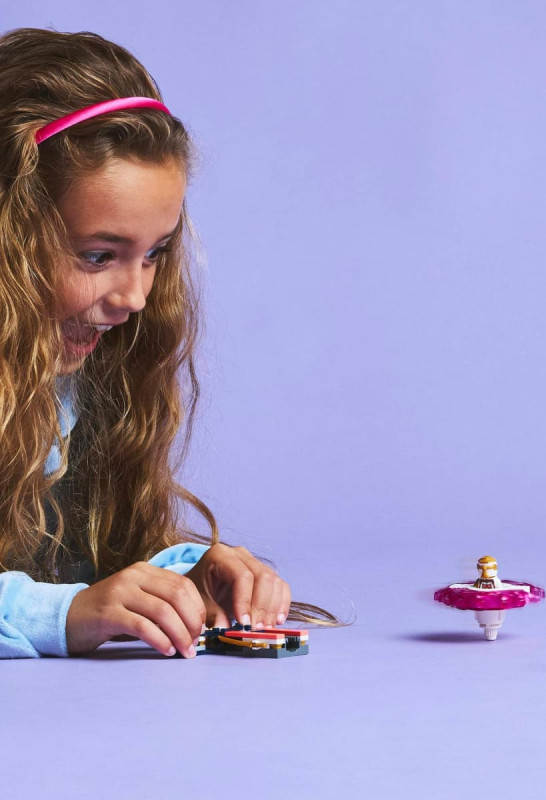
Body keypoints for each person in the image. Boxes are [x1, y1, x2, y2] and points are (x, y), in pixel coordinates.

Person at [0, 28, 333, 659]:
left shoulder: (70, 387)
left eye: (154, 253)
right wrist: (59, 615)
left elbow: (66, 564)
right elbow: (54, 600)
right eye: (97, 255)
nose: (135, 297)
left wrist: (177, 579)